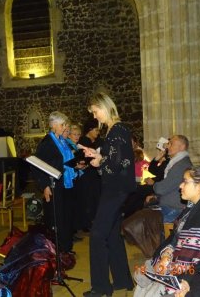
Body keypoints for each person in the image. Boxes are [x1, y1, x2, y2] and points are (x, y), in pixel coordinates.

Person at [134, 166, 200, 296]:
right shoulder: (192, 208)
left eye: (185, 181)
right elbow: (176, 237)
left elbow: (195, 257)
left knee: (147, 282)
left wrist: (167, 266)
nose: (180, 185)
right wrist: (166, 255)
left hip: (193, 274)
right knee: (142, 274)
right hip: (179, 263)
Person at [80, 92, 135, 296]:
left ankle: (101, 287)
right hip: (117, 187)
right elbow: (113, 160)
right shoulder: (115, 130)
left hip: (115, 189)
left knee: (97, 235)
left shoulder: (117, 129)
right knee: (111, 234)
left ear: (105, 107)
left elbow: (118, 163)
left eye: (95, 111)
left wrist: (99, 160)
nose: (95, 116)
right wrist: (98, 157)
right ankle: (122, 280)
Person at [31, 111, 75, 254]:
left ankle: (66, 248)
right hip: (53, 185)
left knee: (66, 217)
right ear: (54, 125)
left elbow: (64, 161)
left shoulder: (61, 141)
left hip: (65, 183)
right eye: (62, 125)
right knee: (57, 219)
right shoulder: (47, 143)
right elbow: (38, 166)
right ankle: (58, 250)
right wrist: (44, 186)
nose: (64, 127)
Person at [145, 135, 192, 222]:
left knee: (144, 223)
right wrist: (155, 195)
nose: (167, 146)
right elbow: (168, 186)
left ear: (182, 147)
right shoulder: (176, 162)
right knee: (141, 216)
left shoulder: (181, 165)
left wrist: (154, 186)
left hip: (174, 209)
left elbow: (161, 188)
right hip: (167, 204)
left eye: (171, 144)